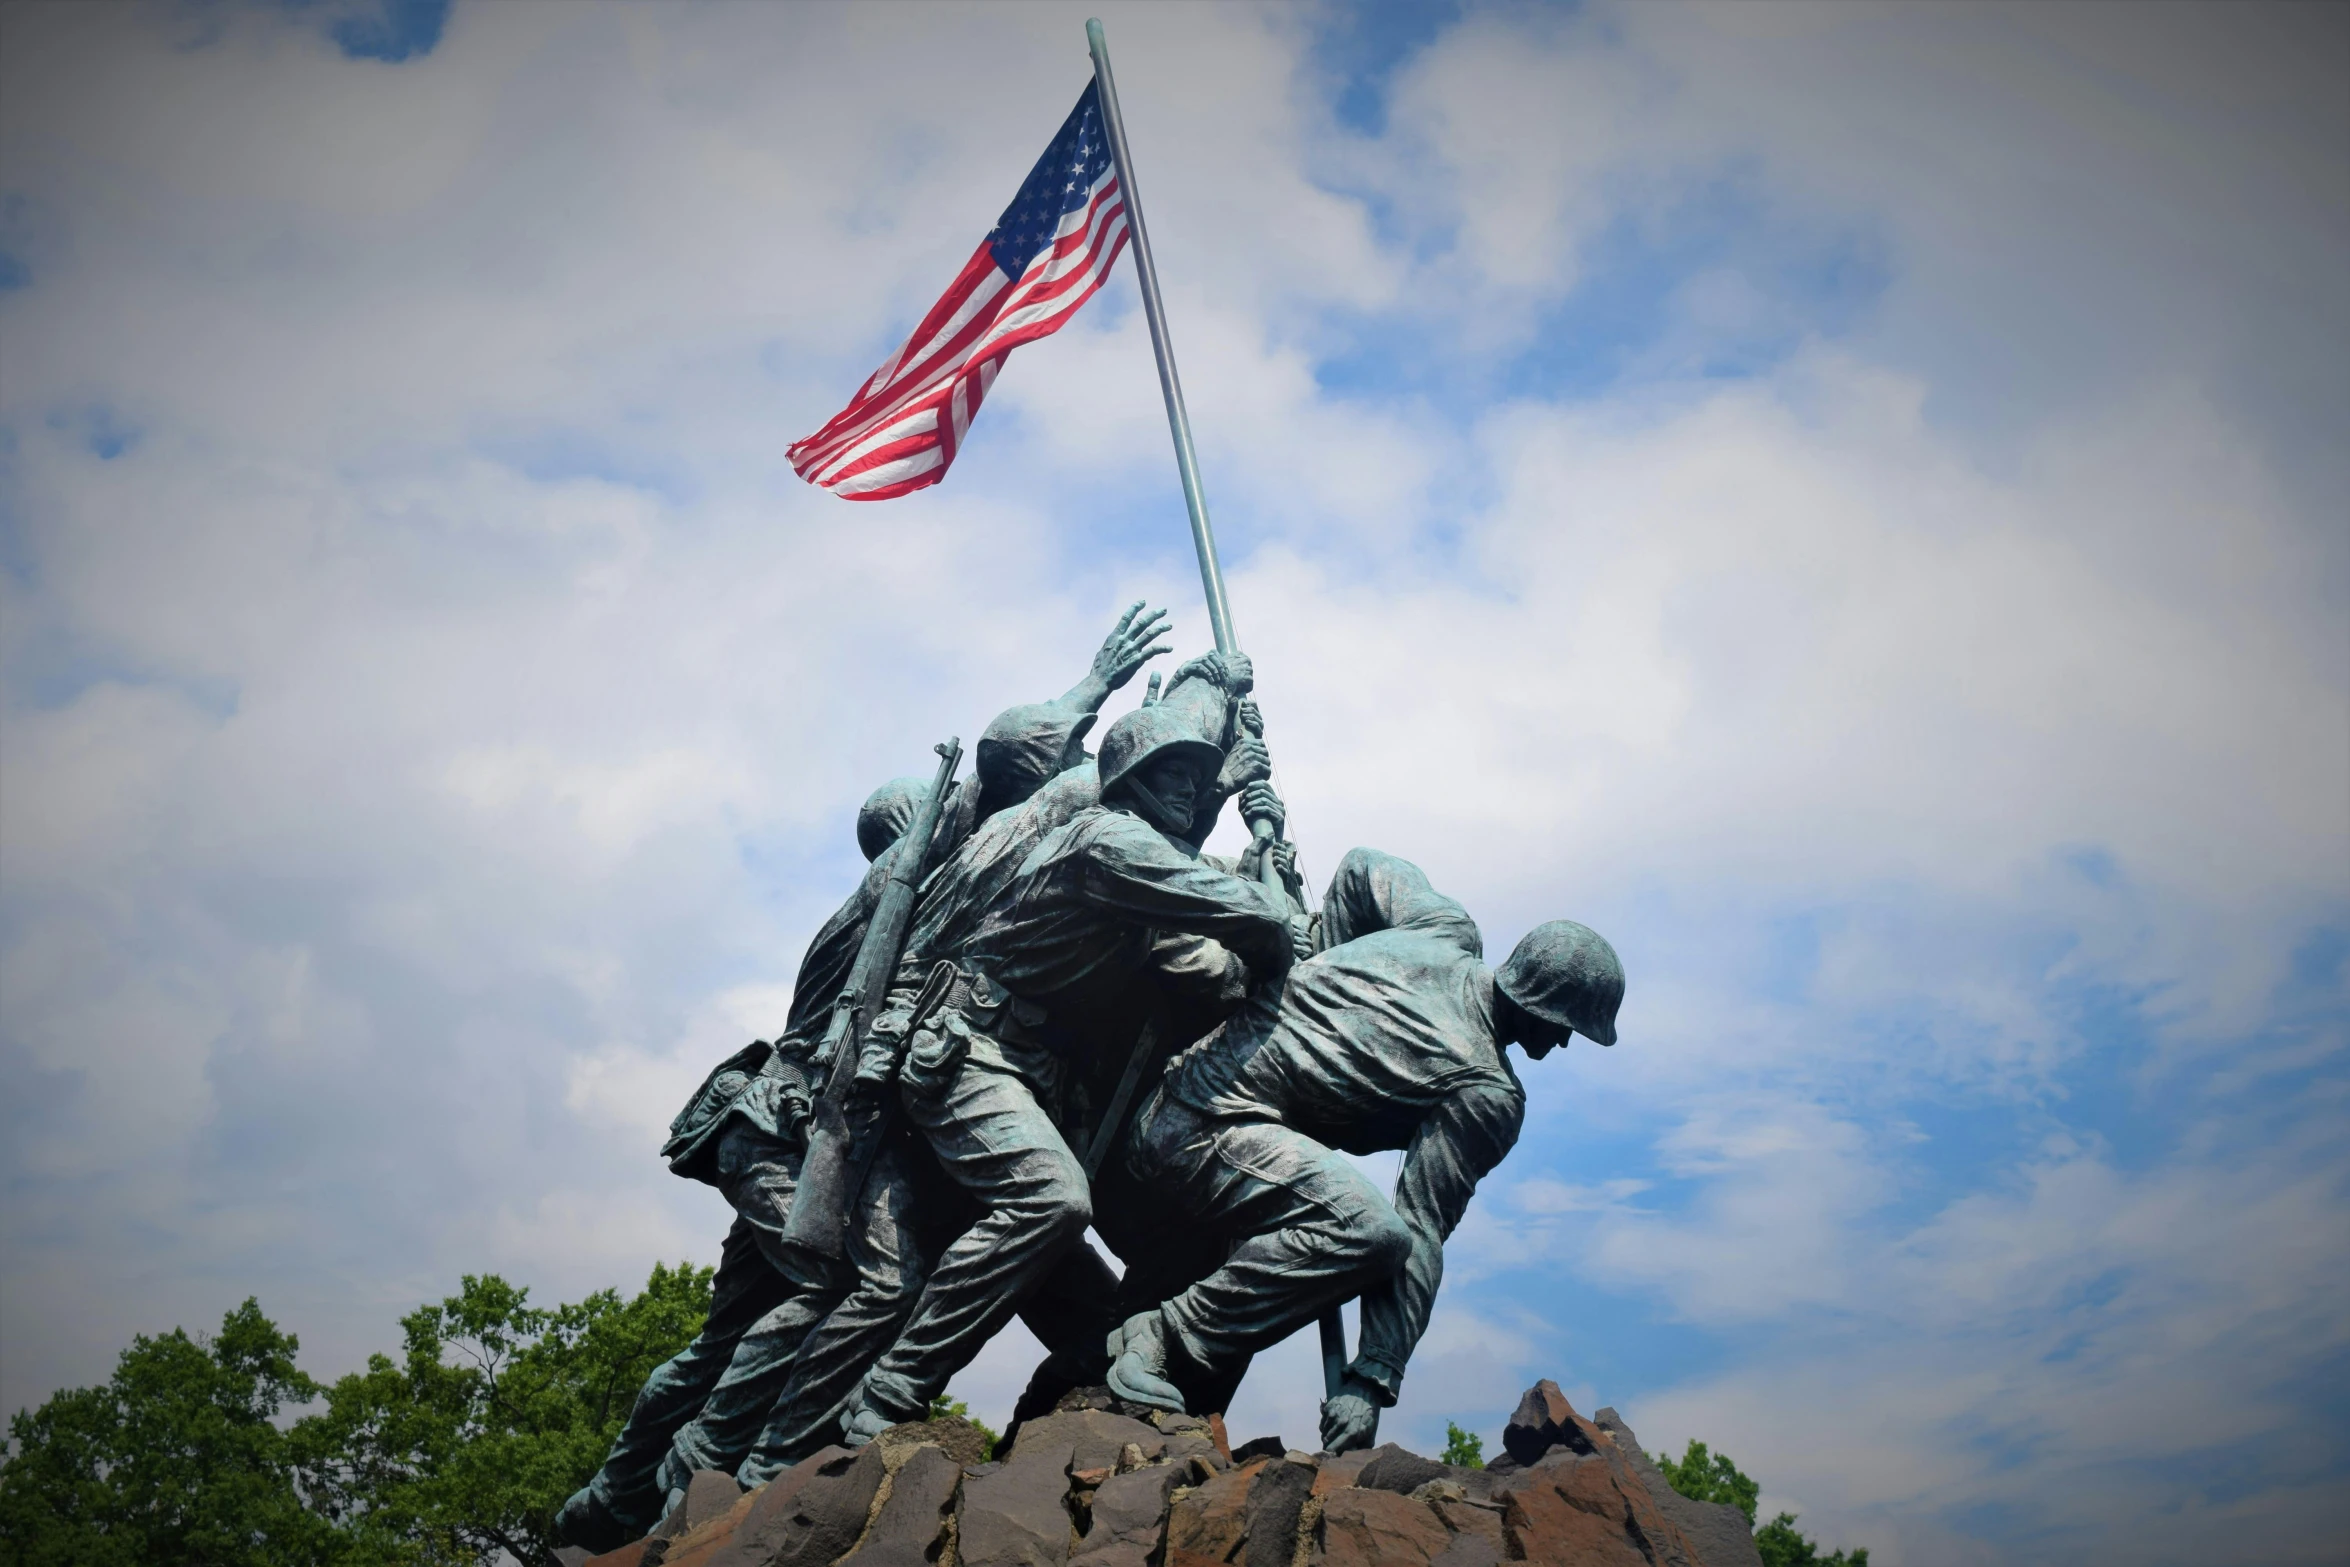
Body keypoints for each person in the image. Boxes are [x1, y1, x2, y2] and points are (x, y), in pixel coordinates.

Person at [553, 605, 1172, 1551]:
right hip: (789, 1126)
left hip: (817, 1127)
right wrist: (1094, 690)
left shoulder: (927, 895)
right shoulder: (898, 890)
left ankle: (617, 1495)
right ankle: (709, 1478)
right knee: (859, 1281)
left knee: (744, 1328)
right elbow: (1008, 763)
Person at [829, 698, 1301, 1447]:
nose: (1189, 790)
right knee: (1053, 1200)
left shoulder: (1142, 853)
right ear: (1133, 780)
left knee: (1099, 1323)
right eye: (1174, 774)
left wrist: (1268, 862)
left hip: (1025, 1076)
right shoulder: (1108, 842)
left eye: (1196, 778)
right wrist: (1275, 905)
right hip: (968, 1051)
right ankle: (890, 1393)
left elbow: (1216, 962)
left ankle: (1061, 1444)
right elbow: (1258, 924)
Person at [1106, 848, 1624, 1452]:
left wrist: (1321, 959)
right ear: (1542, 1007)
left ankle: (1127, 1376)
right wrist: (1374, 1376)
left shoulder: (1446, 929)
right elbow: (1418, 1226)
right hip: (1202, 1129)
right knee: (1368, 1232)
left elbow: (1360, 868)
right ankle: (1160, 1339)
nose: (1563, 1044)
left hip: (1191, 1100)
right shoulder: (1487, 1092)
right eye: (1567, 1027)